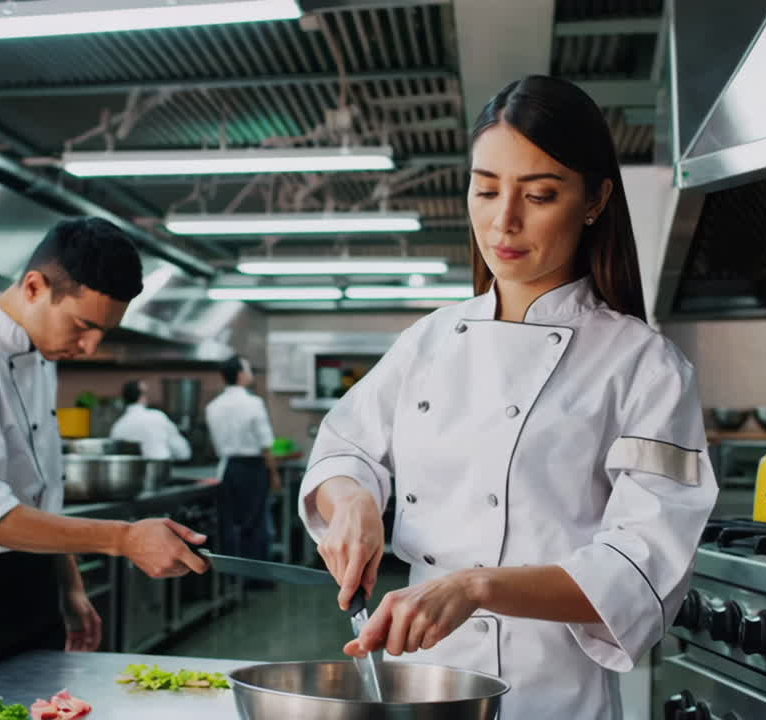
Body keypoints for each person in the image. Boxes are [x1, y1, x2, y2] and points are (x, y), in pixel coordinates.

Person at [298, 76, 719, 718]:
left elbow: (642, 561)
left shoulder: (645, 365)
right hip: (421, 683)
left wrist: (475, 587)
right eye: (486, 188)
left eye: (540, 194)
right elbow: (343, 448)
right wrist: (352, 500)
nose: (504, 221)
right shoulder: (430, 340)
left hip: (551, 694)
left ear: (595, 200)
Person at [0, 217, 209, 694]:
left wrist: (67, 583)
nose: (89, 346)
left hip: (33, 581)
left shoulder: (40, 354)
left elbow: (39, 489)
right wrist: (123, 538)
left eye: (104, 331)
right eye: (84, 325)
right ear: (34, 287)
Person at [205, 355, 280, 568]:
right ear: (239, 375)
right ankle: (256, 578)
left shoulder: (213, 406)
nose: (250, 374)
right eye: (248, 370)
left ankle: (232, 576)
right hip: (253, 468)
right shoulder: (253, 403)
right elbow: (266, 444)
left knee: (229, 523)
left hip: (228, 468)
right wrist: (274, 473)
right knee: (256, 523)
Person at [108, 380, 192, 461]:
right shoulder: (157, 417)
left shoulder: (117, 426)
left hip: (131, 473)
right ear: (142, 396)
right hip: (161, 470)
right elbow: (183, 452)